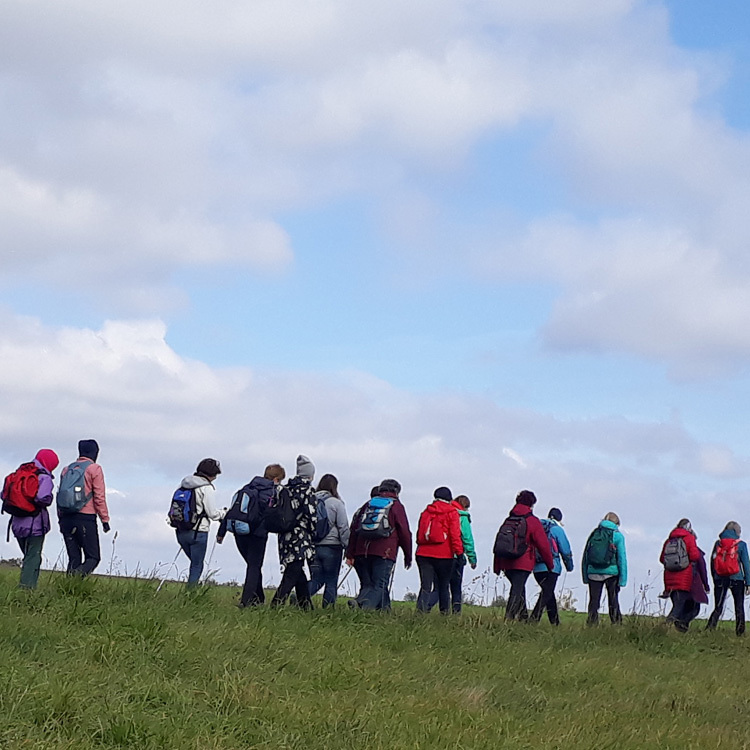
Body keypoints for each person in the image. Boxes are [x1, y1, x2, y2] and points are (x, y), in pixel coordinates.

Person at [218, 463, 285, 607]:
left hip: (240, 531)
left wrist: (221, 532)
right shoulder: (271, 492)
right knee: (254, 567)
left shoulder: (247, 488)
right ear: (276, 479)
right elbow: (270, 513)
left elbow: (232, 510)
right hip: (257, 534)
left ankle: (258, 599)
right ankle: (246, 601)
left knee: (252, 565)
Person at [346, 478, 412, 611]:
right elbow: (404, 532)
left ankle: (385, 613)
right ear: (396, 491)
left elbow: (354, 529)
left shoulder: (368, 504)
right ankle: (361, 607)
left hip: (361, 550)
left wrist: (350, 553)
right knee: (379, 585)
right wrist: (408, 556)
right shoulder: (396, 506)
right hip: (384, 551)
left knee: (370, 585)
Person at [493, 490, 554, 621]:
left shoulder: (509, 519)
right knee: (517, 590)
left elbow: (500, 542)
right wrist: (550, 564)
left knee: (519, 589)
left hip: (506, 562)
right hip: (522, 562)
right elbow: (543, 545)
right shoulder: (532, 521)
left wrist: (497, 565)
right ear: (532, 504)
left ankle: (523, 619)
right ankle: (508, 619)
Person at [3, 449, 59, 589]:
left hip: (16, 524)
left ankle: (29, 588)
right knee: (32, 557)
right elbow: (43, 498)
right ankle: (26, 589)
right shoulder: (44, 477)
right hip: (35, 525)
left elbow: (4, 494)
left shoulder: (20, 472)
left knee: (30, 556)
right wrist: (50, 498)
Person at [58, 440, 110, 577]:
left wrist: (60, 518)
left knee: (74, 558)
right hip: (85, 518)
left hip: (66, 518)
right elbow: (99, 497)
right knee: (93, 557)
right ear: (95, 452)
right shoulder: (95, 469)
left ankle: (67, 589)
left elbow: (60, 494)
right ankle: (73, 582)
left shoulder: (66, 469)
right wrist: (105, 520)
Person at [270, 455, 316, 609]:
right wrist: (314, 532)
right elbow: (311, 515)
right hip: (300, 536)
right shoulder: (307, 490)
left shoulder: (286, 489)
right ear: (309, 475)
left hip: (285, 534)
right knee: (292, 572)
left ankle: (306, 606)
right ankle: (276, 603)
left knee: (298, 570)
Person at [175, 458, 226, 587]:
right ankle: (190, 596)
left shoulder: (184, 484)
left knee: (194, 563)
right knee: (197, 565)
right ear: (212, 474)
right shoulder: (206, 488)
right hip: (199, 532)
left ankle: (193, 590)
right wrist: (225, 513)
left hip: (181, 530)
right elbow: (212, 514)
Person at [415, 487, 463, 614]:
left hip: (423, 554)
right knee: (443, 586)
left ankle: (420, 613)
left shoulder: (426, 512)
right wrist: (459, 553)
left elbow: (419, 533)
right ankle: (444, 614)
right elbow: (455, 535)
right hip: (444, 555)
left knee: (425, 586)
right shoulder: (452, 512)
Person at [308, 473, 350, 608]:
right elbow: (343, 527)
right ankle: (328, 610)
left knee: (316, 579)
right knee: (331, 580)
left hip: (313, 545)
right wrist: (347, 547)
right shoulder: (336, 503)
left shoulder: (310, 500)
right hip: (332, 547)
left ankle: (300, 596)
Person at [530, 507, 574, 626]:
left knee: (548, 593)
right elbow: (566, 550)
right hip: (552, 568)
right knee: (546, 594)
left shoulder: (538, 527)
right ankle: (533, 620)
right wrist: (569, 566)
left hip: (537, 568)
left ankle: (555, 623)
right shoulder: (557, 530)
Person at [582, 512, 627, 625]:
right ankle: (616, 623)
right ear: (617, 523)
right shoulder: (617, 536)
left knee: (593, 601)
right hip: (611, 572)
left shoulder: (594, 534)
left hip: (593, 572)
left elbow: (586, 555)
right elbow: (621, 558)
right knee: (613, 600)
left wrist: (585, 576)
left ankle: (592, 624)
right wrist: (623, 579)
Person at [706, 521, 750, 636]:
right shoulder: (741, 544)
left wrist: (715, 578)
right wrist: (748, 583)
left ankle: (710, 628)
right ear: (737, 532)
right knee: (739, 606)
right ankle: (740, 632)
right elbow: (746, 564)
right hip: (737, 578)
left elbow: (713, 561)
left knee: (718, 605)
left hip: (720, 578)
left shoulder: (718, 543)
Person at [659, 518, 701, 632]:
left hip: (669, 577)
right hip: (684, 577)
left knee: (678, 605)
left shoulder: (669, 540)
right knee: (681, 606)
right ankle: (664, 628)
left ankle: (678, 630)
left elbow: (662, 559)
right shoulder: (689, 538)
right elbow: (694, 556)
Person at [450, 494, 477, 614]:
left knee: (440, 587)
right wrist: (472, 558)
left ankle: (430, 610)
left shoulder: (446, 512)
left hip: (441, 556)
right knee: (456, 588)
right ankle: (456, 613)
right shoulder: (462, 516)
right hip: (457, 556)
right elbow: (467, 538)